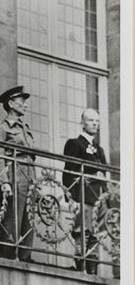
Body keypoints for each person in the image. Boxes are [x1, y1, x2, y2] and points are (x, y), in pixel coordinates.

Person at [0, 85, 35, 262]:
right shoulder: (1, 127)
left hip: (29, 174)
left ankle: (25, 256)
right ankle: (11, 255)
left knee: (29, 218)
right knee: (13, 217)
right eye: (22, 101)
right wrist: (5, 181)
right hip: (14, 173)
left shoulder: (25, 128)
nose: (25, 105)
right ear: (10, 103)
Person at [62, 108, 107, 275]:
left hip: (98, 197)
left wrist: (107, 199)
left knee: (96, 234)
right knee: (83, 232)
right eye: (90, 120)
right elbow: (69, 172)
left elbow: (104, 175)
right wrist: (71, 197)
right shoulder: (75, 144)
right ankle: (80, 267)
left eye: (97, 121)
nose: (94, 123)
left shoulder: (99, 149)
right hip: (83, 195)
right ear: (82, 123)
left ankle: (92, 270)